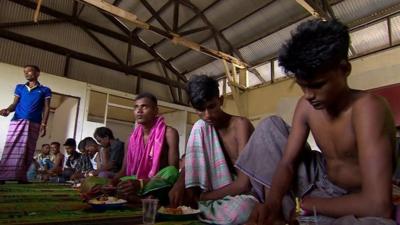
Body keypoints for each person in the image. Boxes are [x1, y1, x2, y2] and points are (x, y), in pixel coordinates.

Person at [240, 19, 397, 225]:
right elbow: (287, 163)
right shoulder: (306, 106)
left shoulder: (367, 108)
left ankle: (301, 214)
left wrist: (306, 204)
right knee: (269, 127)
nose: (308, 95)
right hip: (320, 182)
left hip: (360, 199)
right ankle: (281, 215)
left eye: (317, 85)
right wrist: (272, 204)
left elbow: (379, 205)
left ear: (344, 69)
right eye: (302, 86)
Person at [169, 75, 258, 225]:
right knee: (199, 125)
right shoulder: (202, 128)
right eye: (200, 109)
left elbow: (244, 184)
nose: (207, 115)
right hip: (211, 195)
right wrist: (179, 184)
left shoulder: (240, 125)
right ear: (192, 106)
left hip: (242, 194)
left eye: (211, 106)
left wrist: (204, 198)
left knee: (246, 208)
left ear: (221, 100)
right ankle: (197, 207)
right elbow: (192, 164)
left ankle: (197, 208)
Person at [113, 92, 180, 205]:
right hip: (135, 181)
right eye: (136, 107)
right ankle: (141, 200)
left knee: (171, 171)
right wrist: (111, 184)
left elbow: (173, 169)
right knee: (118, 182)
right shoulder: (130, 139)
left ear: (155, 111)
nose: (139, 110)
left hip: (159, 183)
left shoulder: (169, 133)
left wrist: (141, 183)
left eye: (144, 106)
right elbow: (123, 171)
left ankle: (135, 198)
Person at [0, 65, 51, 183]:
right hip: (17, 121)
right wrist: (7, 110)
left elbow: (47, 108)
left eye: (29, 71)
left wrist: (44, 125)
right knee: (11, 147)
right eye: (25, 72)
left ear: (38, 73)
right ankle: (3, 176)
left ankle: (22, 177)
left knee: (28, 149)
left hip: (34, 123)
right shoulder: (20, 88)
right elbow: (14, 104)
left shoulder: (45, 90)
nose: (26, 73)